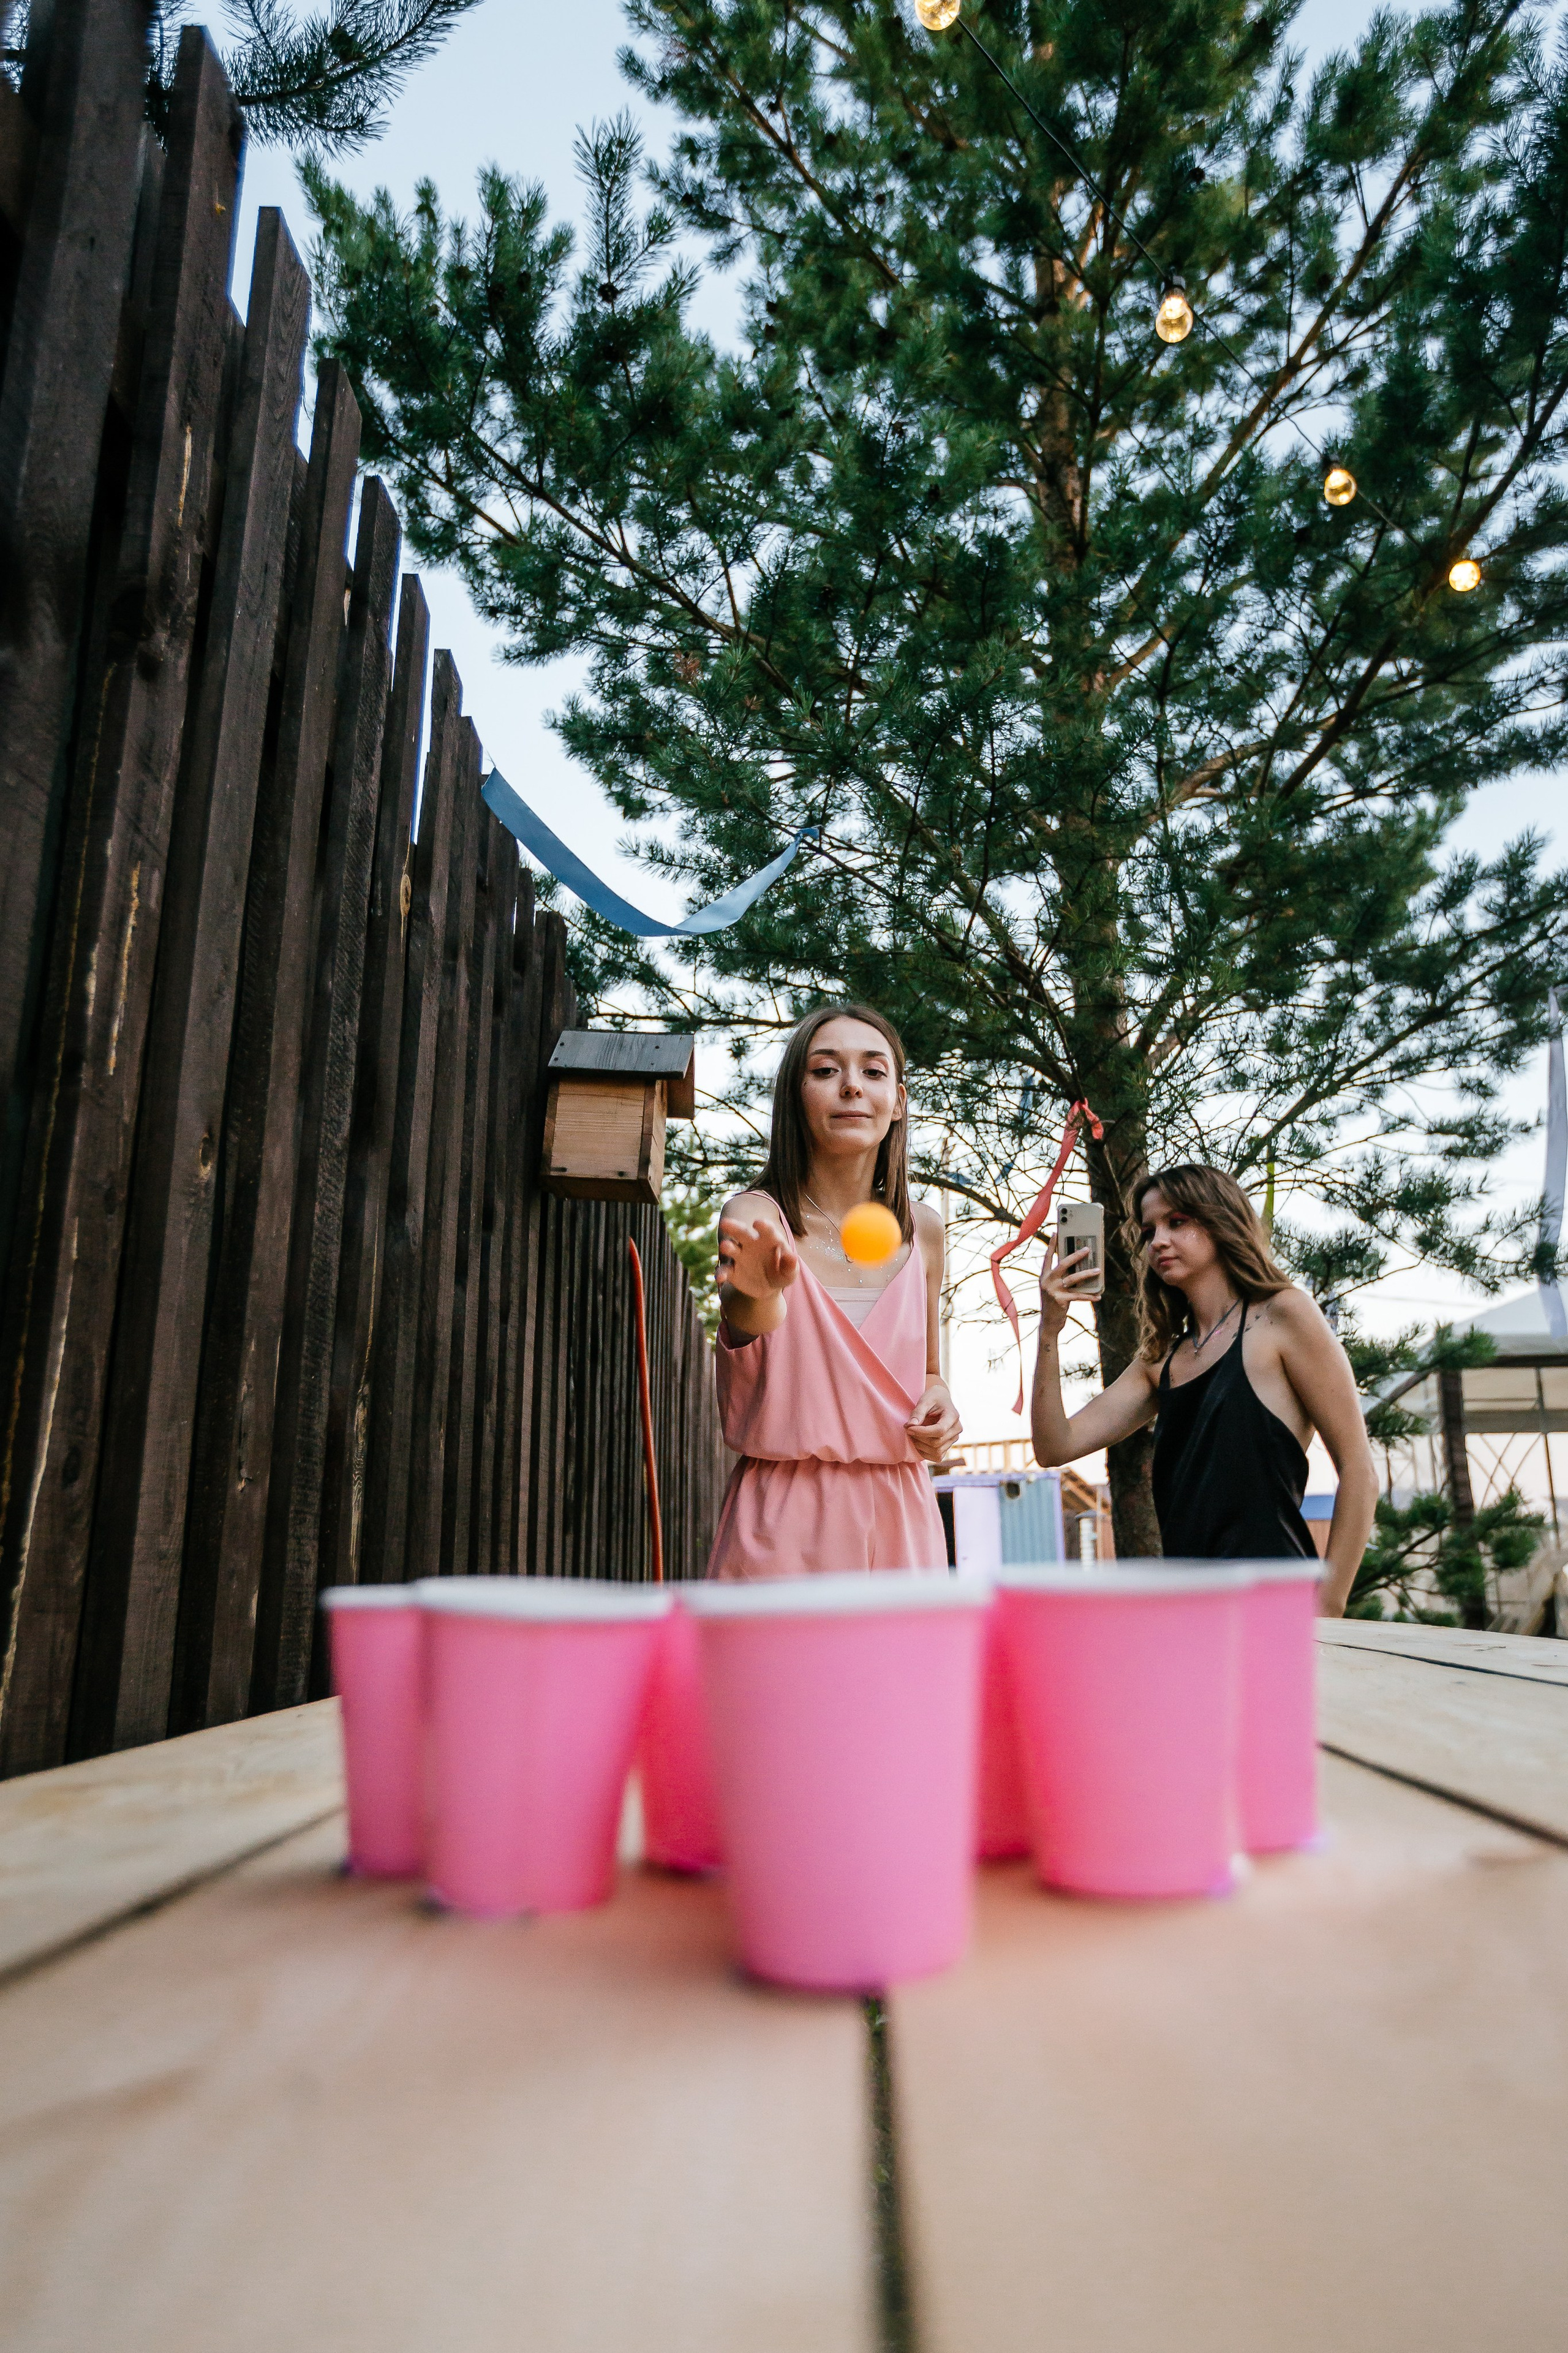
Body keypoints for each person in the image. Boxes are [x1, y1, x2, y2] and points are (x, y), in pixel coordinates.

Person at [1030, 1163, 1378, 1614]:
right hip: (1191, 1612)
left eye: (1177, 1222)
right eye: (1149, 1230)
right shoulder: (1160, 1360)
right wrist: (1049, 1329)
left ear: (1220, 1220)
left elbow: (1358, 1469)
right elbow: (1055, 1446)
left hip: (1274, 1605)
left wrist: (1327, 1608)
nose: (1158, 1241)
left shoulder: (1284, 1314)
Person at [710, 1005, 960, 1579]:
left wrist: (941, 1403)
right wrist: (756, 1292)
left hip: (903, 1513)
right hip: (786, 1519)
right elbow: (748, 1320)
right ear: (795, 1096)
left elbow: (928, 1371)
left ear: (898, 1102)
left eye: (873, 1071)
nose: (851, 1084)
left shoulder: (924, 1228)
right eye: (826, 1070)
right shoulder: (752, 1214)